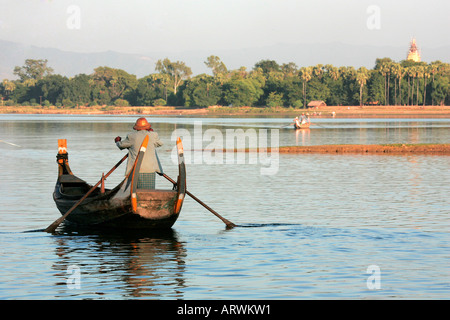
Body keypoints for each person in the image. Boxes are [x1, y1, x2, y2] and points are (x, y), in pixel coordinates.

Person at [115, 117, 163, 189]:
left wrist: (117, 141)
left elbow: (121, 145)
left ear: (136, 127)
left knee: (135, 190)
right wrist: (152, 132)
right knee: (149, 192)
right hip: (150, 170)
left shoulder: (131, 136)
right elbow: (160, 143)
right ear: (147, 127)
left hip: (135, 170)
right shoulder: (153, 135)